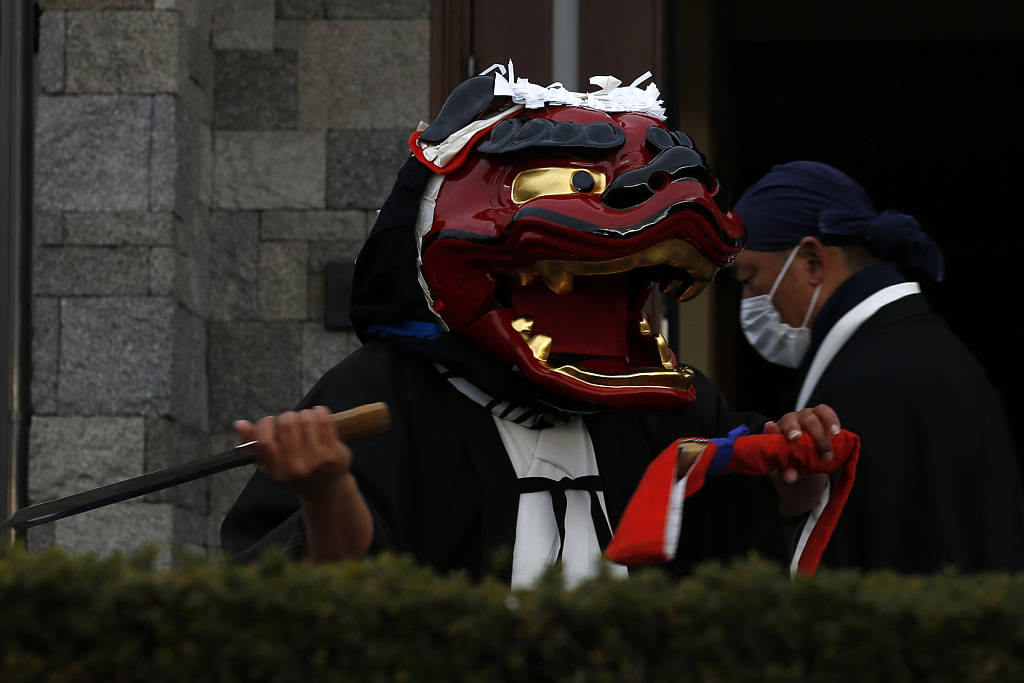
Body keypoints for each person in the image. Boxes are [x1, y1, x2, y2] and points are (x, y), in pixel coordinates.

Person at [221, 69, 845, 586]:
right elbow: (308, 614)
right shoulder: (377, 400)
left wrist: (790, 492)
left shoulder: (676, 413)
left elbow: (728, 575)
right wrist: (327, 490)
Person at [731, 160, 1024, 572]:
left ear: (813, 262)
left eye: (749, 278)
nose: (748, 300)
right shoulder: (916, 348)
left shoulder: (870, 380)